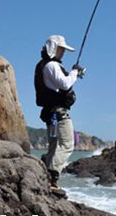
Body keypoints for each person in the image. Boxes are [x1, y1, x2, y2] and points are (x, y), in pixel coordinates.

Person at [34, 35, 85, 189]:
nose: (62, 53)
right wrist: (75, 72)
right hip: (59, 113)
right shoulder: (51, 66)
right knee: (68, 144)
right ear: (53, 48)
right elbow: (64, 84)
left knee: (55, 145)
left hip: (51, 113)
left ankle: (46, 178)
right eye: (61, 49)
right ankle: (52, 176)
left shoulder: (43, 65)